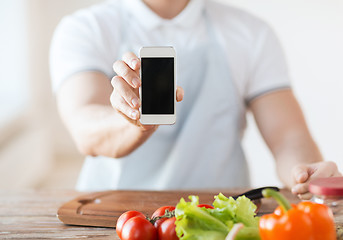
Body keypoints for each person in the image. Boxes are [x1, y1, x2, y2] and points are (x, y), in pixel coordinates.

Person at [50, 0, 341, 199]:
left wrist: (306, 173)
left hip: (221, 217)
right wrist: (135, 120)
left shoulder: (252, 34)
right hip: (113, 220)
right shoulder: (84, 29)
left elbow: (288, 137)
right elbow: (85, 127)